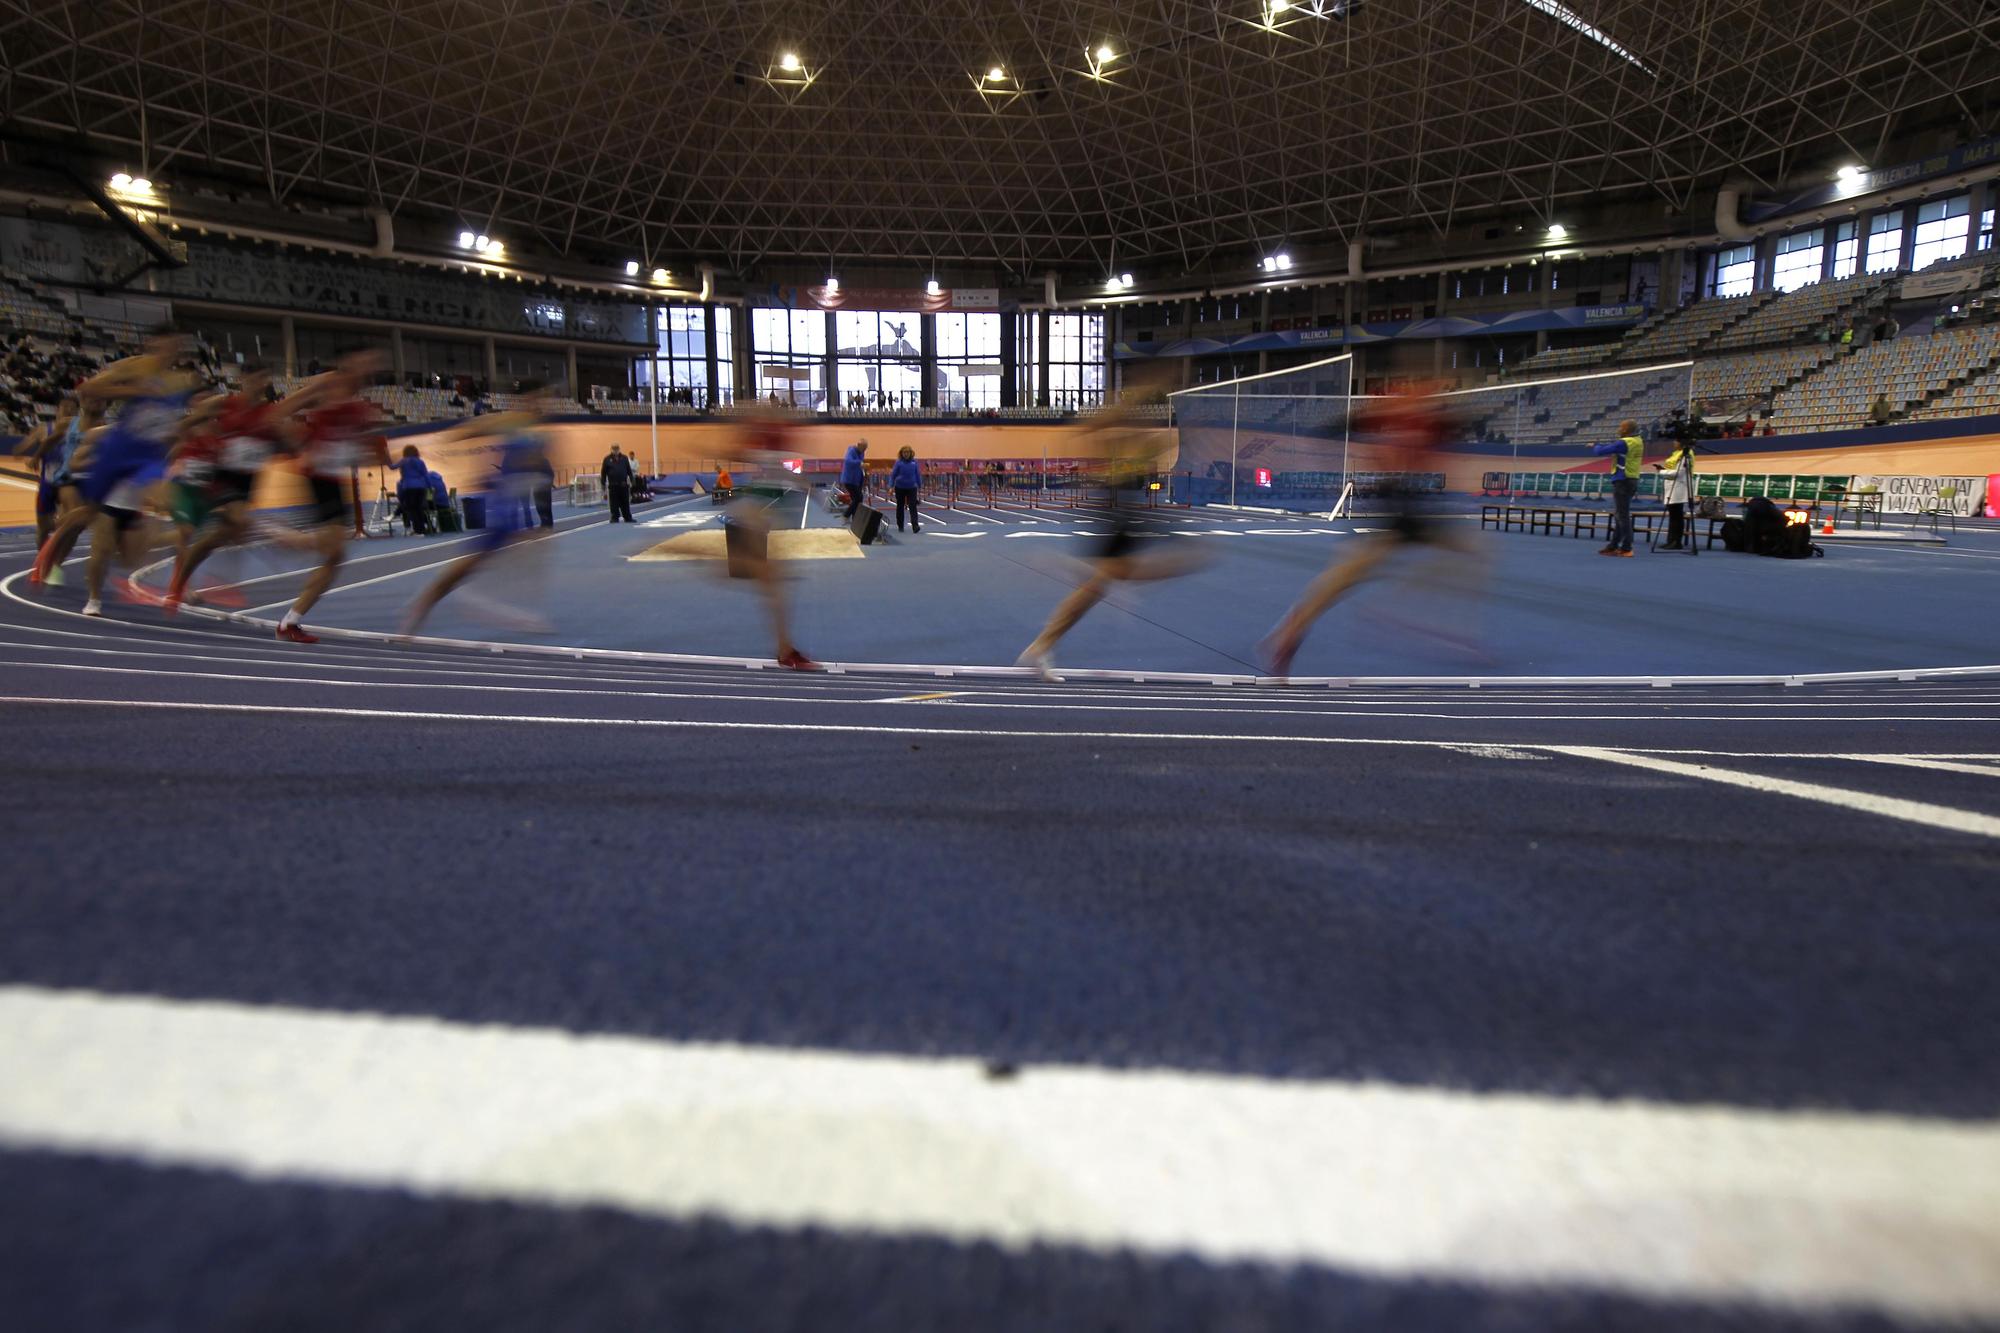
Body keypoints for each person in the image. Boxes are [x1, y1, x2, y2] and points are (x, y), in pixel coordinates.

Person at [1256, 387, 1480, 678]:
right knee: (1343, 578)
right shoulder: (1395, 415)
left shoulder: (1432, 422)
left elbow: (1450, 434)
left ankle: (1433, 621)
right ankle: (1288, 633)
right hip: (1395, 504)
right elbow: (1337, 429)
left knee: (1472, 552)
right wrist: (1377, 456)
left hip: (1414, 506)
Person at [1017, 380, 1206, 680]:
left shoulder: (1136, 441)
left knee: (1103, 583)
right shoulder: (1110, 435)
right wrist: (1143, 390)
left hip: (1126, 510)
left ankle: (1042, 644)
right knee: (1109, 579)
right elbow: (1098, 426)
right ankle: (1042, 642)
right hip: (1113, 508)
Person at [30, 327, 202, 614]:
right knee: (90, 519)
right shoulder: (134, 367)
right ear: (152, 344)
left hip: (148, 457)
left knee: (176, 515)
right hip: (118, 452)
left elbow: (175, 421)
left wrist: (177, 439)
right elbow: (88, 389)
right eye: (164, 344)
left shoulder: (179, 382)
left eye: (175, 346)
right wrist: (132, 390)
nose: (169, 351)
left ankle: (179, 586)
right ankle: (69, 576)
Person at [399, 381, 560, 638]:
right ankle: (422, 605)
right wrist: (451, 438)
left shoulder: (539, 433)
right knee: (467, 566)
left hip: (511, 504)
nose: (542, 407)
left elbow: (536, 465)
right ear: (526, 402)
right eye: (538, 401)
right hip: (501, 506)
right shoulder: (511, 422)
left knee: (517, 559)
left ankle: (518, 614)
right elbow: (477, 427)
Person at [167, 365, 312, 610]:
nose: (256, 384)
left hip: (249, 482)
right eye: (252, 379)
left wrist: (295, 444)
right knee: (238, 519)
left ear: (265, 382)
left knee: (217, 538)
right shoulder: (225, 403)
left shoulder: (271, 414)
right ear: (242, 380)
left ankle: (178, 584)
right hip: (223, 476)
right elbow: (189, 422)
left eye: (261, 379)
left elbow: (291, 446)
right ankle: (278, 534)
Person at [274, 348, 392, 643]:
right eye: (363, 361)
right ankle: (284, 537)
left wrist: (368, 452)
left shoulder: (361, 403)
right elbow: (279, 412)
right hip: (317, 476)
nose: (367, 368)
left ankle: (290, 621)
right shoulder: (327, 385)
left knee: (335, 556)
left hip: (334, 480)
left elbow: (357, 445)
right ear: (347, 361)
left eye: (372, 364)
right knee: (334, 548)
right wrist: (300, 444)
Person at [1589, 417, 1646, 558]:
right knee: (1620, 515)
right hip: (1632, 479)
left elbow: (1600, 452)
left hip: (1623, 480)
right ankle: (1614, 545)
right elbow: (1614, 448)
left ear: (1627, 430)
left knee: (1623, 516)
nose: (1619, 429)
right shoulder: (1638, 441)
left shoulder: (1625, 443)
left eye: (1621, 427)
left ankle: (1627, 547)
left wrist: (1595, 445)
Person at [1656, 438, 1694, 550]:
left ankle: (1676, 541)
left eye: (1676, 441)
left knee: (1676, 516)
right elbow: (1673, 469)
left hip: (1679, 487)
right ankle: (1671, 540)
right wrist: (1663, 469)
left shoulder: (1685, 455)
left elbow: (1679, 472)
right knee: (1674, 516)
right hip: (1672, 486)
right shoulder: (1676, 454)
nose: (1674, 443)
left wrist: (1661, 472)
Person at [394, 444, 433, 534]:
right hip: (420, 487)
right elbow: (425, 475)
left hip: (409, 487)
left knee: (412, 509)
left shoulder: (403, 461)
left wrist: (386, 459)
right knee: (419, 508)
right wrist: (430, 487)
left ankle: (417, 529)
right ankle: (422, 528)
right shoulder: (420, 461)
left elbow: (393, 467)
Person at [890, 445, 921, 533]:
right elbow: (893, 475)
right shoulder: (898, 463)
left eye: (907, 452)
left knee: (913, 506)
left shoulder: (914, 463)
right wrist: (891, 486)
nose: (906, 454)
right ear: (901, 453)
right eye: (904, 452)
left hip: (912, 487)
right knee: (900, 506)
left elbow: (917, 474)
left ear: (911, 453)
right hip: (900, 487)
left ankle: (915, 525)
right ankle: (900, 525)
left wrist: (919, 484)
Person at [602, 443, 635, 522]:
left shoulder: (624, 458)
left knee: (625, 502)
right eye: (614, 449)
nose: (615, 450)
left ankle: (627, 517)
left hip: (623, 484)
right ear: (611, 449)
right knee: (613, 503)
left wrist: (632, 480)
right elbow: (603, 472)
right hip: (613, 485)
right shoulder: (607, 459)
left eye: (617, 448)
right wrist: (603, 483)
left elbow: (629, 470)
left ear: (619, 449)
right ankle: (614, 517)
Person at [840, 438, 868, 519]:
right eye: (864, 447)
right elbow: (848, 461)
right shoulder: (851, 451)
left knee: (856, 500)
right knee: (859, 497)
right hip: (849, 480)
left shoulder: (862, 453)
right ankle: (846, 515)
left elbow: (860, 466)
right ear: (859, 445)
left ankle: (854, 518)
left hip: (857, 480)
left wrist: (864, 473)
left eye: (866, 448)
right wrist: (860, 463)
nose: (865, 450)